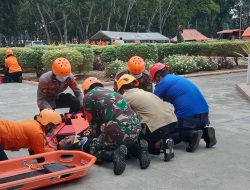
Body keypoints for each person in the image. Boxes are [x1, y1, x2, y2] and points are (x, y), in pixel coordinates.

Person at [81, 77, 150, 175]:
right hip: (136, 127)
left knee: (94, 149)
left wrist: (95, 138)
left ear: (85, 90)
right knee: (124, 143)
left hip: (117, 130)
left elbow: (93, 125)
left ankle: (113, 155)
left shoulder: (88, 97)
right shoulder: (113, 93)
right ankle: (140, 151)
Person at [149, 63, 217, 152]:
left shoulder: (162, 84)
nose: (156, 83)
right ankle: (205, 132)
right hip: (204, 114)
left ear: (158, 77)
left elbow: (151, 103)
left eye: (155, 80)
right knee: (189, 124)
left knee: (167, 133)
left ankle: (190, 134)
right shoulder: (179, 78)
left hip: (188, 117)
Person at [117, 74, 178, 161]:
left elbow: (120, 115)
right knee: (157, 133)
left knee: (136, 142)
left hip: (157, 126)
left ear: (122, 90)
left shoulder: (125, 97)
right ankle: (165, 142)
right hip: (172, 121)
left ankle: (161, 144)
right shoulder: (144, 92)